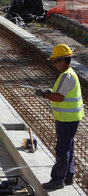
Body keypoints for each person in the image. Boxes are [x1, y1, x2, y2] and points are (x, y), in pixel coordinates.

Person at [36, 44, 84, 190]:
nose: (54, 64)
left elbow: (58, 97)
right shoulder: (68, 75)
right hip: (69, 118)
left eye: (56, 61)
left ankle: (57, 180)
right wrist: (49, 93)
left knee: (62, 150)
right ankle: (68, 176)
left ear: (63, 61)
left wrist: (45, 95)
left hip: (67, 119)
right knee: (68, 147)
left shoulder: (67, 76)